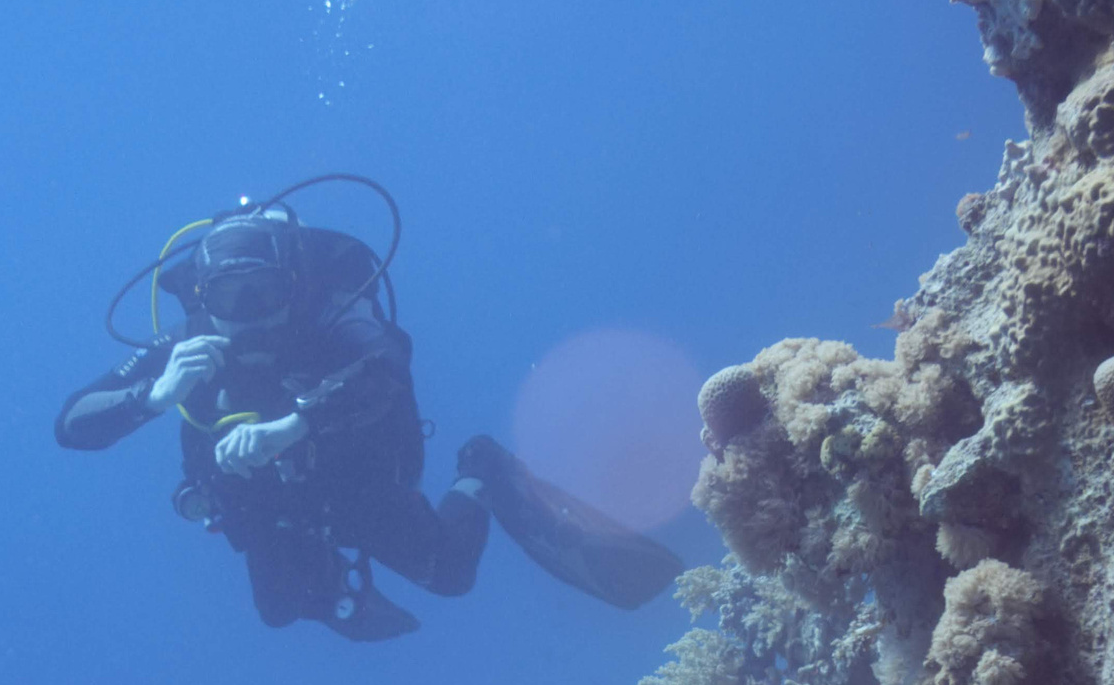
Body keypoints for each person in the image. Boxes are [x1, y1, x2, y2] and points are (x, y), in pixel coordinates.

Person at [58, 203, 682, 640]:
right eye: (229, 298)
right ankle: (333, 586)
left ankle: (483, 471)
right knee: (278, 609)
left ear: (291, 282)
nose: (248, 316)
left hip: (355, 479)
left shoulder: (329, 315)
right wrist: (153, 396)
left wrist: (292, 426)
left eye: (262, 294)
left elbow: (387, 366)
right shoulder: (186, 344)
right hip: (266, 502)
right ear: (201, 296)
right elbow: (71, 424)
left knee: (450, 575)